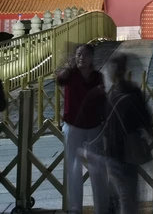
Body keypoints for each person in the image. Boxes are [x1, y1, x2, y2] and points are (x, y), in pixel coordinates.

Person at [56, 43, 109, 214]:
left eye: (85, 55)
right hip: (73, 125)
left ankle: (101, 208)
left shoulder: (97, 76)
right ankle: (74, 208)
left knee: (98, 167)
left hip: (94, 125)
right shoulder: (70, 75)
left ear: (92, 57)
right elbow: (59, 79)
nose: (81, 58)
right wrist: (68, 66)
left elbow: (102, 100)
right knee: (73, 166)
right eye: (78, 54)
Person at [100, 54, 153, 214]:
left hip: (114, 151)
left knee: (121, 196)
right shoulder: (132, 92)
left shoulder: (111, 94)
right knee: (127, 197)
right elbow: (145, 119)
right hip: (127, 152)